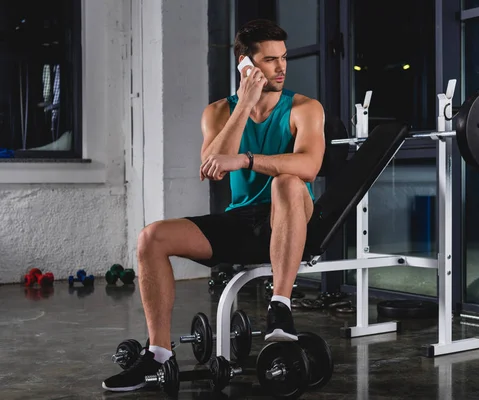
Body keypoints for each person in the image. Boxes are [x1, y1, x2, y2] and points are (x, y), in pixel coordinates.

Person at [102, 19, 325, 392]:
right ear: (246, 64)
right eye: (270, 60)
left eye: (283, 58)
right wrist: (245, 104)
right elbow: (213, 167)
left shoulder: (304, 108)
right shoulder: (219, 112)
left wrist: (247, 160)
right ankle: (157, 353)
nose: (282, 68)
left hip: (288, 217)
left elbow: (309, 166)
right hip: (241, 221)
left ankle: (280, 308)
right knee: (151, 238)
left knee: (287, 181)